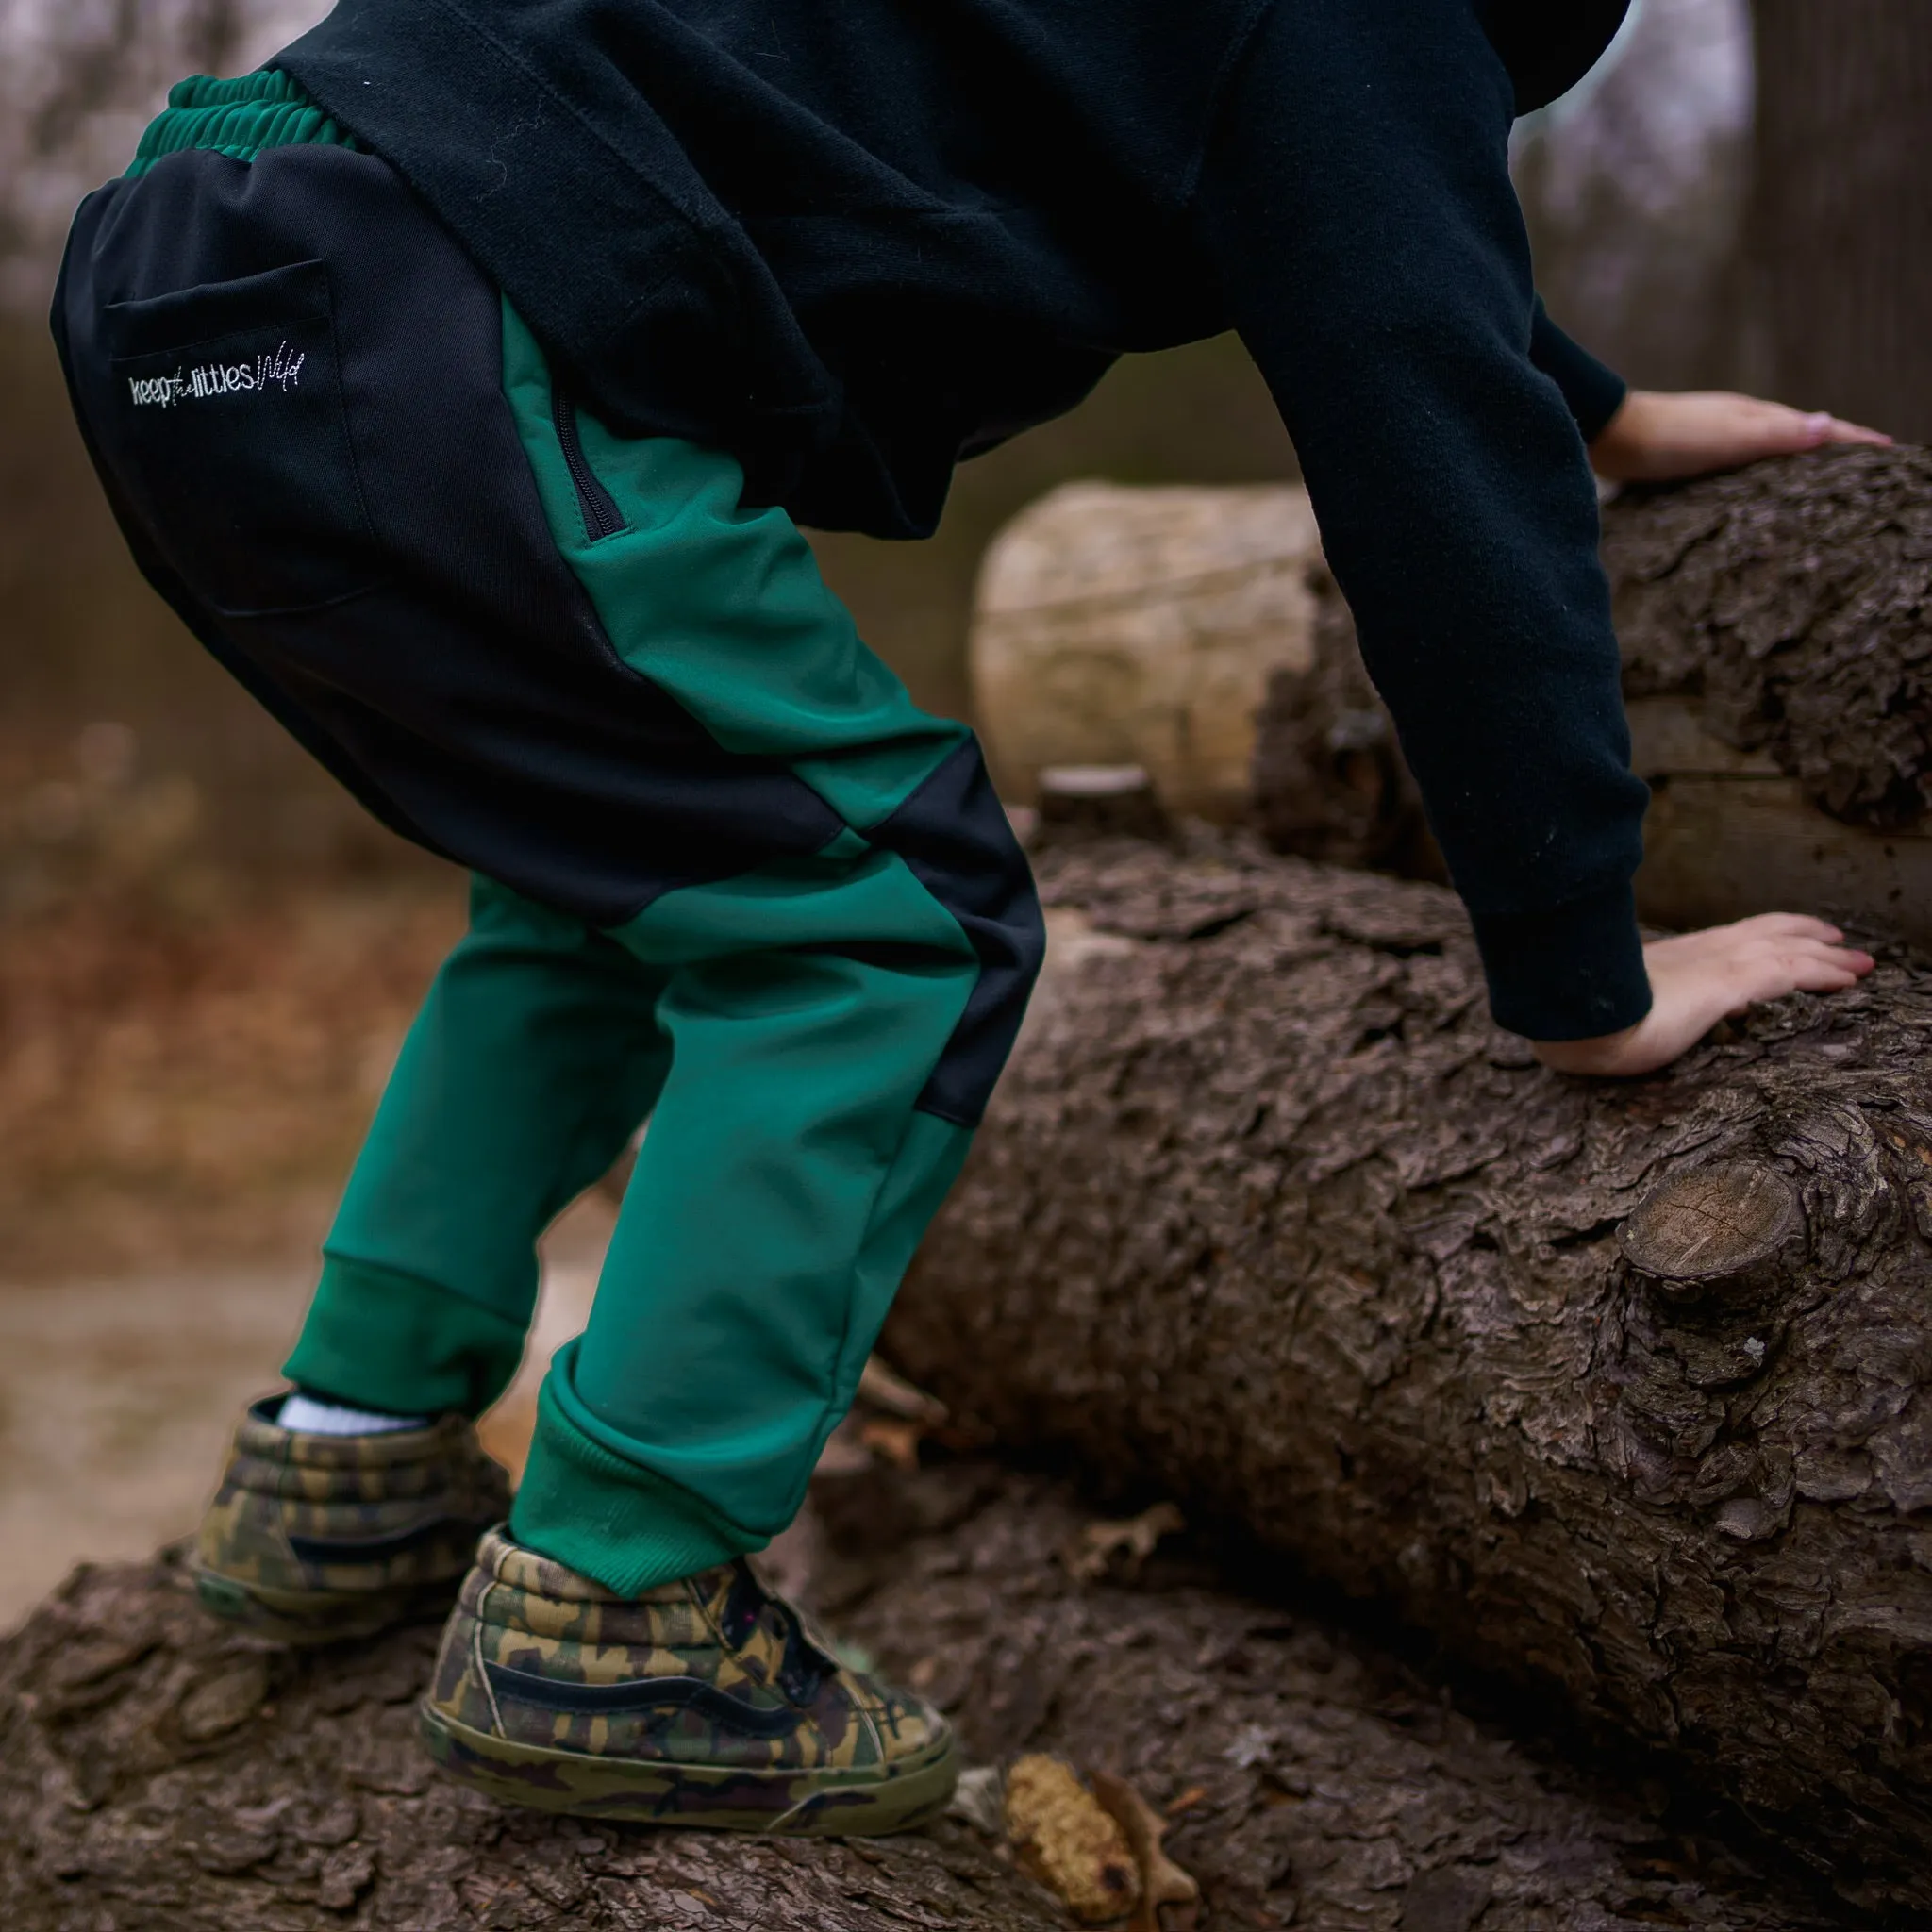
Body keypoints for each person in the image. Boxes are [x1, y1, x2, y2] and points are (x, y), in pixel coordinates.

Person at [51, 0, 1883, 1835]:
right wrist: (1583, 963)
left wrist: (1598, 407)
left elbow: (1374, 239)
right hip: (436, 281)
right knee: (887, 916)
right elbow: (1425, 413)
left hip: (207, 250)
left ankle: (343, 1464)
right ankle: (620, 1599)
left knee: (610, 887)